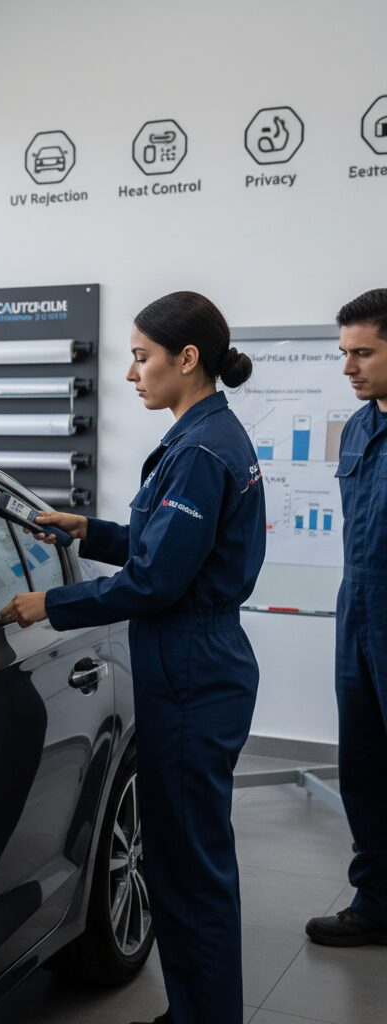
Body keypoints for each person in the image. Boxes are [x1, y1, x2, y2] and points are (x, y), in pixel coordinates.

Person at [0, 291, 265, 1024]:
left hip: (189, 664)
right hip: (197, 657)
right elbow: (167, 549)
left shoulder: (201, 451)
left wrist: (50, 606)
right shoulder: (207, 437)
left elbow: (155, 582)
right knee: (186, 863)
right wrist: (90, 530)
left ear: (187, 359)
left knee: (187, 870)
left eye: (142, 357)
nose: (130, 374)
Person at [305, 289, 387, 947]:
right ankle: (376, 902)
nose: (348, 367)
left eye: (363, 352)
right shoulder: (359, 427)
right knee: (361, 762)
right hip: (357, 610)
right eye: (344, 353)